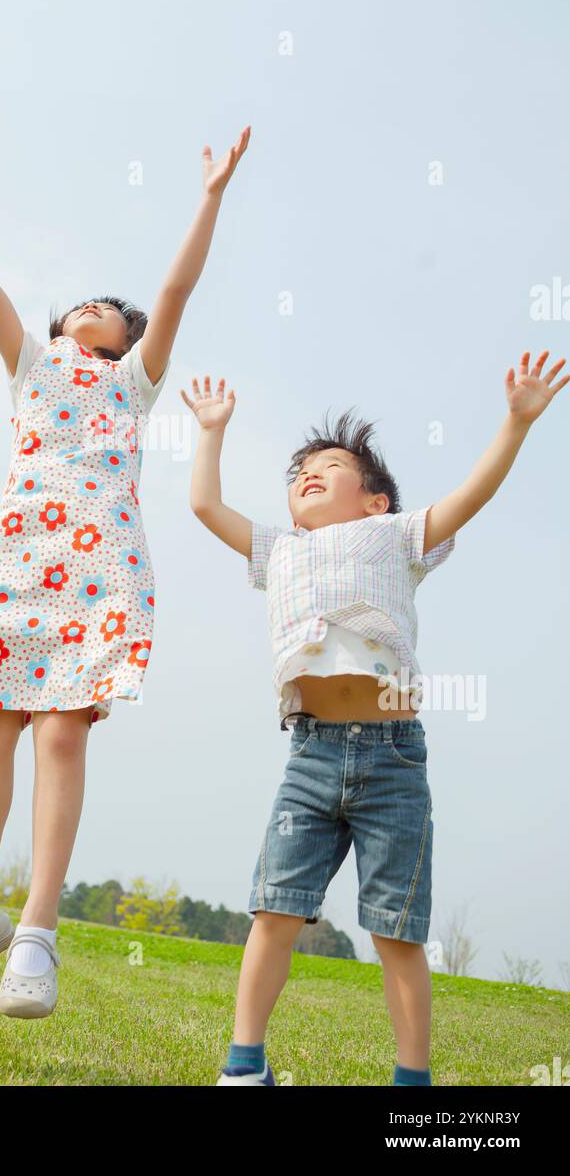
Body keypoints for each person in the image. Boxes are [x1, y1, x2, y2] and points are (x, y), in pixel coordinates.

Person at [0, 127, 250, 1017]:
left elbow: (176, 290)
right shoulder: (33, 364)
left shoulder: (133, 384)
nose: (94, 308)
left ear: (127, 340)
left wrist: (209, 197)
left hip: (95, 568)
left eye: (110, 309)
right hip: (11, 564)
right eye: (80, 304)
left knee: (60, 735)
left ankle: (37, 934)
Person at [182, 351, 567, 1085]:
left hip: (393, 756)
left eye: (329, 467)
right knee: (274, 911)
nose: (308, 475)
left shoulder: (394, 537)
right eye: (300, 472)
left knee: (397, 929)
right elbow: (205, 506)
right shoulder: (280, 549)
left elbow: (470, 496)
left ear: (374, 502)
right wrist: (210, 431)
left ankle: (411, 1082)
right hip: (310, 756)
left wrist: (516, 424)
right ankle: (243, 1065)